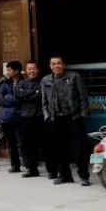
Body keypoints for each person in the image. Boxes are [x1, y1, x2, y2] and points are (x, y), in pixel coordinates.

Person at [41, 56, 90, 186]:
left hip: (73, 118)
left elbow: (83, 97)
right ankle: (65, 175)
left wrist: (83, 115)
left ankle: (84, 176)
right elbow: (44, 101)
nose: (56, 66)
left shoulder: (74, 77)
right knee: (59, 149)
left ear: (64, 65)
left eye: (58, 63)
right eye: (53, 64)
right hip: (55, 118)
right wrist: (47, 116)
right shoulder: (46, 80)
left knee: (79, 149)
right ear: (50, 65)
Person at [15, 61, 53, 179]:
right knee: (26, 144)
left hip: (40, 116)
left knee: (46, 145)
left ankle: (52, 170)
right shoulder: (21, 82)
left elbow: (40, 96)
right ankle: (31, 169)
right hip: (25, 118)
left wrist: (26, 95)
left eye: (33, 68)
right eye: (29, 69)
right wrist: (31, 93)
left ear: (38, 69)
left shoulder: (44, 82)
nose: (31, 71)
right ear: (26, 71)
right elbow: (17, 95)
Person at [0, 61, 24, 173]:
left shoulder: (24, 82)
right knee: (12, 144)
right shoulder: (4, 84)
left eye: (9, 70)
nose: (7, 72)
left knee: (22, 142)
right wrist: (13, 101)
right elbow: (0, 99)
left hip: (20, 117)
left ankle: (29, 164)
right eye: (7, 70)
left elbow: (22, 99)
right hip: (6, 118)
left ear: (16, 71)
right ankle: (15, 165)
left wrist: (10, 98)